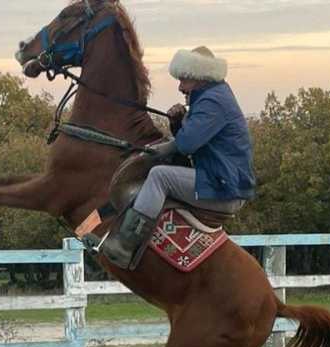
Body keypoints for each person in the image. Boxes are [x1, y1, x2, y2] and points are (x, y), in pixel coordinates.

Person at [101, 46, 256, 270]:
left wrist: (157, 150)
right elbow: (192, 140)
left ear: (200, 77)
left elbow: (185, 145)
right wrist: (177, 123)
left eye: (185, 80)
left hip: (223, 189)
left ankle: (125, 246)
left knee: (159, 176)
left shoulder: (212, 102)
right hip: (221, 182)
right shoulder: (213, 96)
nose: (180, 87)